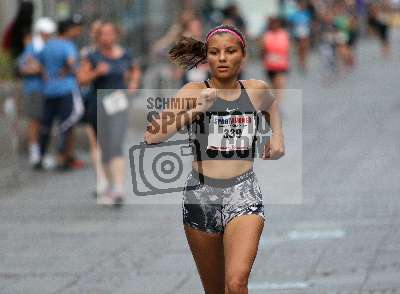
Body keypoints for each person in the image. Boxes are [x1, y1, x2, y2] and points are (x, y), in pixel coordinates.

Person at [144, 24, 285, 294]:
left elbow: (272, 107)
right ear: (206, 57)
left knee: (236, 282)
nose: (222, 58)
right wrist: (197, 109)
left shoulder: (255, 90)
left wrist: (278, 137)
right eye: (215, 52)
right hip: (201, 194)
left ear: (243, 56)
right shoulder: (192, 91)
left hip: (244, 192)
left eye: (230, 51)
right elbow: (152, 136)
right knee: (216, 289)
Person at [77, 22, 141, 205]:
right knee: (103, 145)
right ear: (98, 37)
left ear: (116, 35)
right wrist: (96, 72)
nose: (107, 37)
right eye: (103, 34)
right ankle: (106, 183)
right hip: (97, 104)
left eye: (111, 33)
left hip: (118, 103)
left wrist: (133, 83)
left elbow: (134, 71)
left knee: (116, 144)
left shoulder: (125, 54)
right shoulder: (92, 56)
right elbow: (81, 79)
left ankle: (119, 187)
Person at [36, 16, 84, 170]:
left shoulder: (48, 45)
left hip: (49, 89)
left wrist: (48, 73)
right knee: (67, 124)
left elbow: (38, 62)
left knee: (46, 125)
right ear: (69, 30)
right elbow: (71, 62)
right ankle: (63, 158)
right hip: (66, 89)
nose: (79, 32)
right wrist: (74, 71)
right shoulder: (67, 45)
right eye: (76, 29)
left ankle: (40, 157)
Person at [17, 17, 56, 166]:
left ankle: (43, 151)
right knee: (35, 121)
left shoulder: (49, 46)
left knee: (46, 122)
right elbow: (24, 67)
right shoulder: (32, 47)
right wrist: (39, 69)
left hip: (48, 89)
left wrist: (39, 68)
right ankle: (35, 152)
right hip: (35, 89)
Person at [261, 16, 290, 104]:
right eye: (273, 23)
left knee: (279, 85)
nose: (274, 25)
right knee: (273, 86)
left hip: (281, 65)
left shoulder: (284, 34)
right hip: (270, 65)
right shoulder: (266, 35)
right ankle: (273, 104)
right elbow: (263, 50)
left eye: (276, 23)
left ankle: (278, 105)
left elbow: (288, 48)